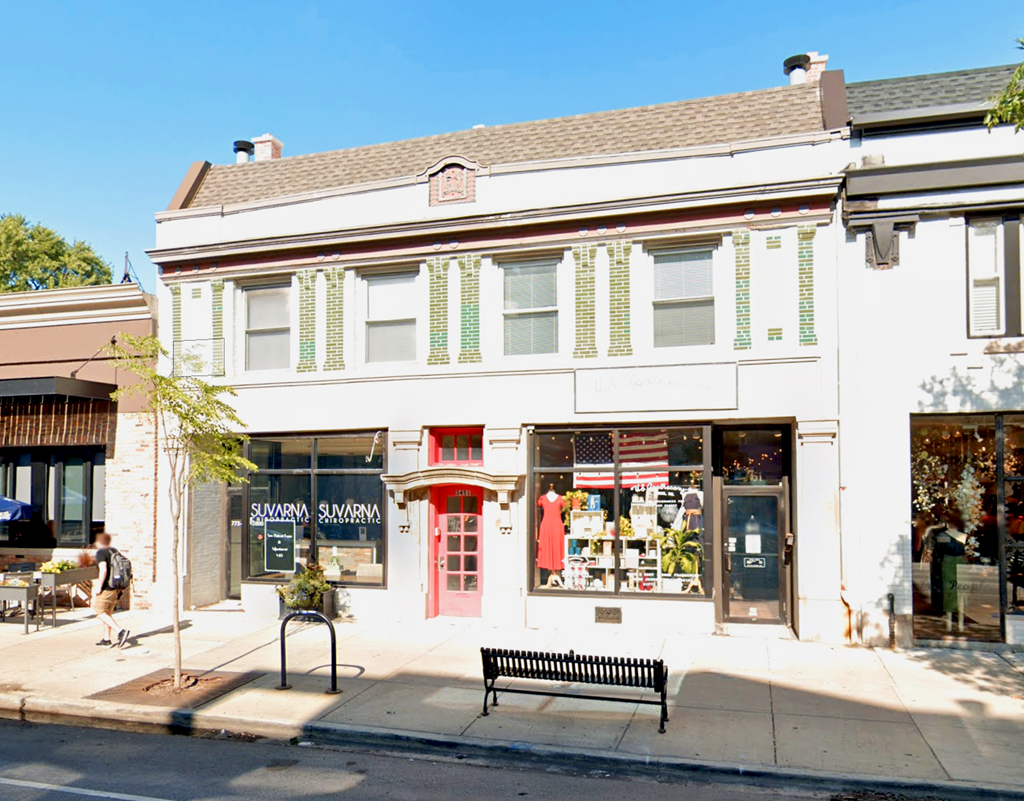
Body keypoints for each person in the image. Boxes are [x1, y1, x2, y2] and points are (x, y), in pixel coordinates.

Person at [91, 533, 129, 648]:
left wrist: (99, 586)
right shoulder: (114, 551)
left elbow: (103, 570)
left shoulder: (101, 553)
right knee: (107, 613)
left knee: (99, 612)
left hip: (107, 588)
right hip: (116, 587)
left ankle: (121, 631)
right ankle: (106, 639)